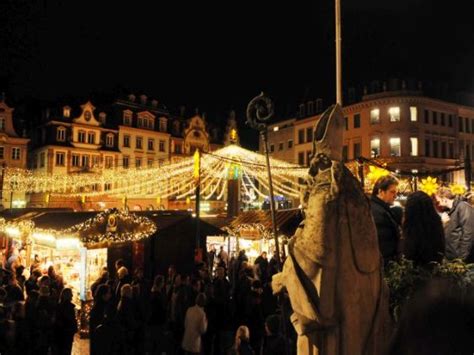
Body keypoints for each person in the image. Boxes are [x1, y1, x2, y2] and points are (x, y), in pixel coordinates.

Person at [402, 191, 445, 265]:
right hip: (434, 265)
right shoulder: (435, 222)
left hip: (414, 268)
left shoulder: (411, 225)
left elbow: (409, 250)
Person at [437, 187, 474, 262]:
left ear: (444, 198)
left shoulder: (463, 207)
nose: (438, 203)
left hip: (459, 259)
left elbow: (468, 235)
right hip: (451, 257)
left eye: (439, 200)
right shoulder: (449, 211)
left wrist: (461, 259)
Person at [370, 175, 401, 264]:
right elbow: (383, 244)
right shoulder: (378, 212)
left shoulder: (380, 208)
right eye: (392, 192)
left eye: (396, 193)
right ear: (380, 192)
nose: (395, 196)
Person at [54, 288, 77, 355]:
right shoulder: (69, 307)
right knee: (67, 349)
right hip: (67, 332)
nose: (72, 295)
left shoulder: (59, 306)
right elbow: (71, 319)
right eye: (71, 294)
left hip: (60, 332)